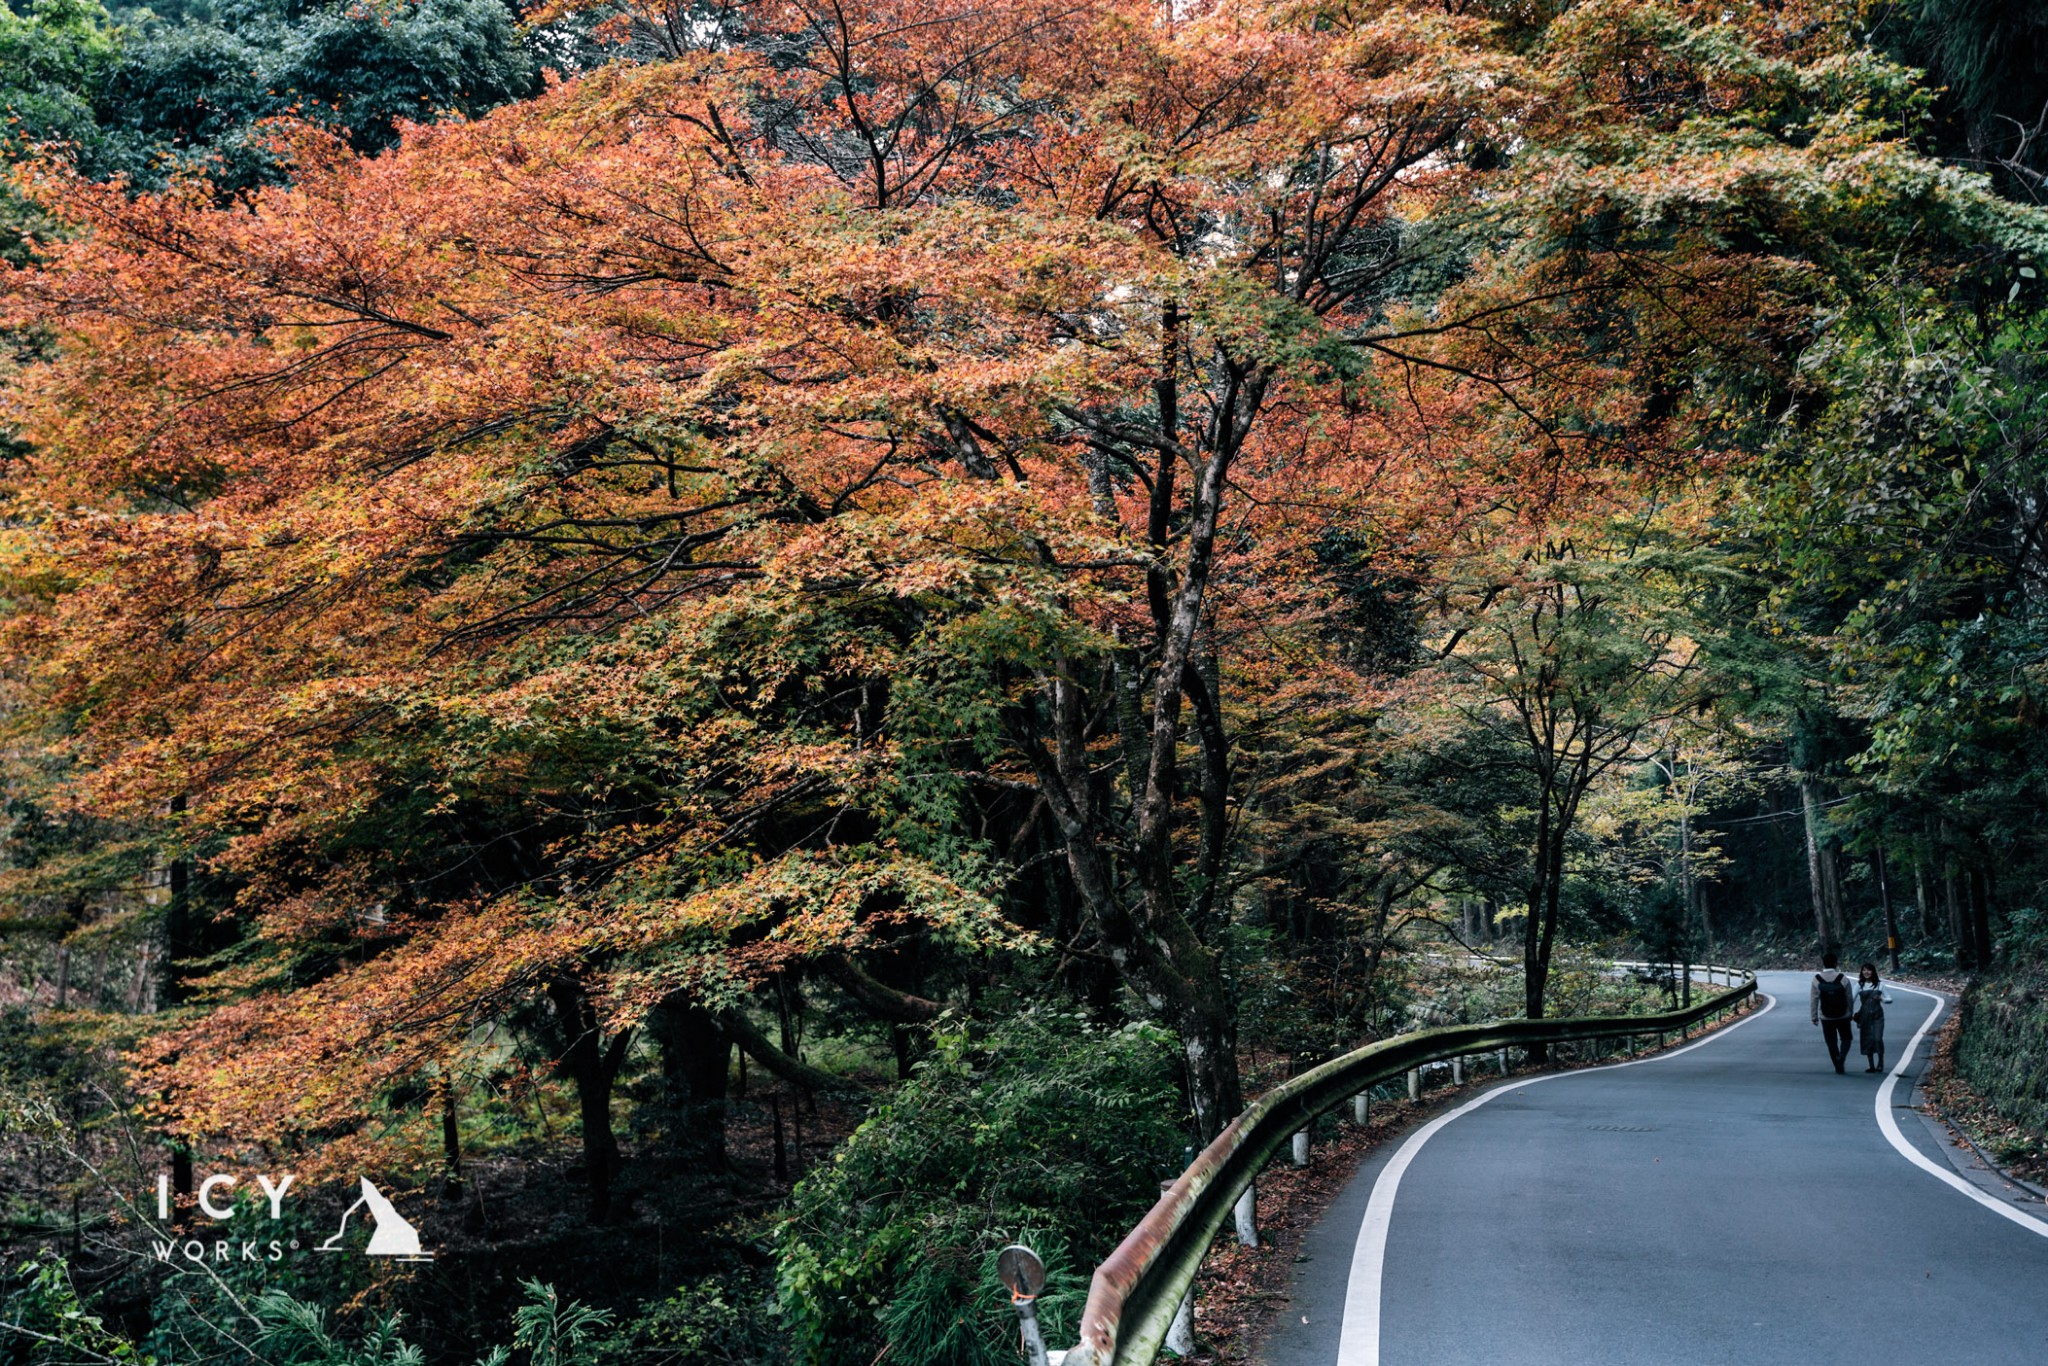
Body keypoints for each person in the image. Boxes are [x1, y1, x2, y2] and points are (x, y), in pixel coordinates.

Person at [1811, 952, 1857, 1073]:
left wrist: (1814, 1016)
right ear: (1836, 963)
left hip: (1826, 1017)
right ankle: (1841, 1056)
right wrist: (1850, 1012)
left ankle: (1837, 1064)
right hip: (1843, 1015)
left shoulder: (1817, 979)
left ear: (1823, 964)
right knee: (1846, 1038)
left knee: (1831, 1041)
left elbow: (1814, 999)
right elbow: (1849, 998)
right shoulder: (1843, 978)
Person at [1855, 962, 1892, 1073]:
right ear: (1861, 972)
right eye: (1864, 970)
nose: (1866, 972)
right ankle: (1871, 1065)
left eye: (1869, 970)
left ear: (1873, 971)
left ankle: (1880, 1062)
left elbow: (1889, 999)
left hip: (1877, 1015)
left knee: (1877, 1038)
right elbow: (1851, 999)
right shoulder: (1859, 985)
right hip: (1864, 1016)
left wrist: (1881, 999)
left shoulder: (1880, 985)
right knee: (1867, 1039)